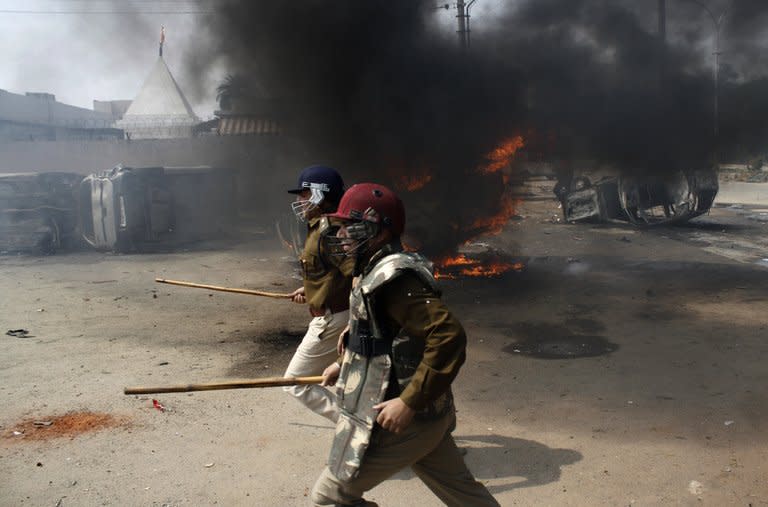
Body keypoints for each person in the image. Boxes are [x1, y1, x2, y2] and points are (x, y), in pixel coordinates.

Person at [311, 183, 499, 507]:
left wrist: (408, 403)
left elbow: (448, 335)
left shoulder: (396, 280)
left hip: (403, 417)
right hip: (424, 417)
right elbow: (380, 337)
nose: (340, 236)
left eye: (349, 227)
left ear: (380, 232)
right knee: (467, 497)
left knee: (330, 496)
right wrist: (342, 365)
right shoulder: (371, 269)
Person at [284, 165, 355, 423]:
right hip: (330, 314)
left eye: (304, 194)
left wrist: (358, 322)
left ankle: (361, 428)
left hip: (334, 319)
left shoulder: (330, 231)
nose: (299, 201)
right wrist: (310, 289)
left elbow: (357, 273)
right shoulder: (319, 227)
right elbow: (332, 273)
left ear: (319, 195)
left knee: (295, 382)